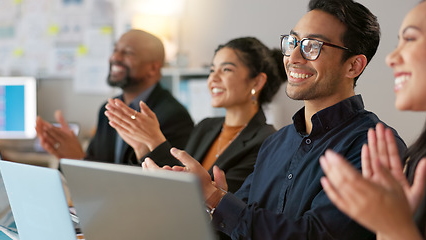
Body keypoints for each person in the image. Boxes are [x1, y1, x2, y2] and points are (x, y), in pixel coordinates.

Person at [143, 0, 408, 239]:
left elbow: (317, 235)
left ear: (354, 66)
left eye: (312, 46)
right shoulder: (276, 143)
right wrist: (213, 200)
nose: (292, 57)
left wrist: (215, 199)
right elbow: (240, 219)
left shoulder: (373, 146)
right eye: (293, 42)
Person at [319, 0, 426, 239]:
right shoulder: (418, 161)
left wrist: (394, 226)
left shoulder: (367, 139)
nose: (391, 58)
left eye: (410, 39)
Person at [104, 37, 286, 193]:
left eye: (226, 70)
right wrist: (143, 149)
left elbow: (220, 200)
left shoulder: (267, 142)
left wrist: (156, 142)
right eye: (212, 70)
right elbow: (169, 191)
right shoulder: (206, 127)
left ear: (257, 81)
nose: (213, 79)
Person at [35, 29, 194, 164]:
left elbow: (168, 183)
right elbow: (100, 173)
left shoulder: (174, 116)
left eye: (128, 53)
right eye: (115, 50)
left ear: (153, 68)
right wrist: (73, 158)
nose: (115, 58)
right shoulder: (107, 110)